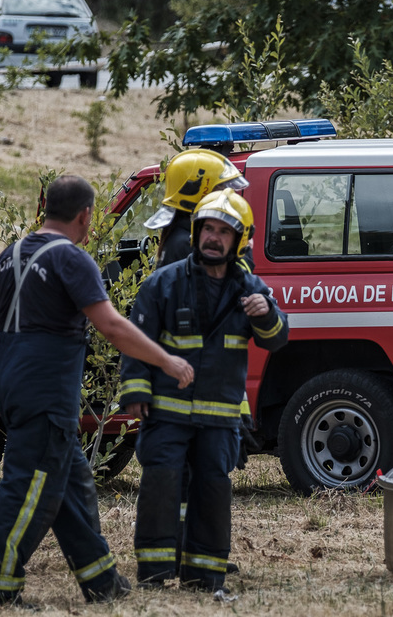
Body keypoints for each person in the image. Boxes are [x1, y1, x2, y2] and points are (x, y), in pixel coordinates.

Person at [0, 175, 195, 607]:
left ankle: (102, 582)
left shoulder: (12, 254)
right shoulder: (72, 260)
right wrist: (165, 360)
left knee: (70, 484)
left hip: (14, 384)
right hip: (46, 392)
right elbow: (110, 325)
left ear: (46, 207)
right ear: (85, 215)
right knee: (29, 489)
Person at [121, 189, 289, 595]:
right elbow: (136, 341)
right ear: (196, 232)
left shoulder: (251, 289)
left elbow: (277, 340)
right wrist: (137, 393)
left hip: (219, 418)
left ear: (239, 240)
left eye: (224, 232)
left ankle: (205, 576)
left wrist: (266, 315)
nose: (213, 237)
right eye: (207, 229)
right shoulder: (163, 284)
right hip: (166, 412)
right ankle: (155, 575)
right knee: (161, 482)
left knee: (213, 489)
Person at [144, 148, 248, 269]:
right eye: (221, 187)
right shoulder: (185, 244)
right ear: (198, 194)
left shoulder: (190, 237)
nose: (228, 195)